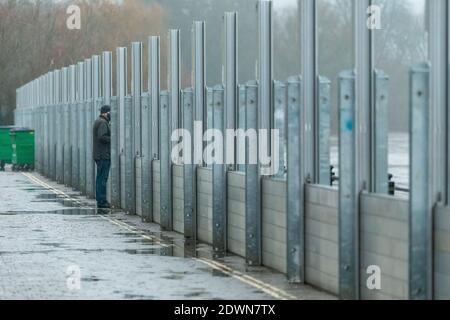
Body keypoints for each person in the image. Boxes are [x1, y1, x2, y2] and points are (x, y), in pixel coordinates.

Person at [93, 105, 111, 208]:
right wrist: (113, 138)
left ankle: (100, 199)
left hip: (100, 154)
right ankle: (102, 201)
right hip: (103, 155)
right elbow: (102, 137)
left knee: (100, 178)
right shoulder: (103, 123)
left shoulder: (99, 121)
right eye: (109, 113)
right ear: (105, 113)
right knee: (102, 179)